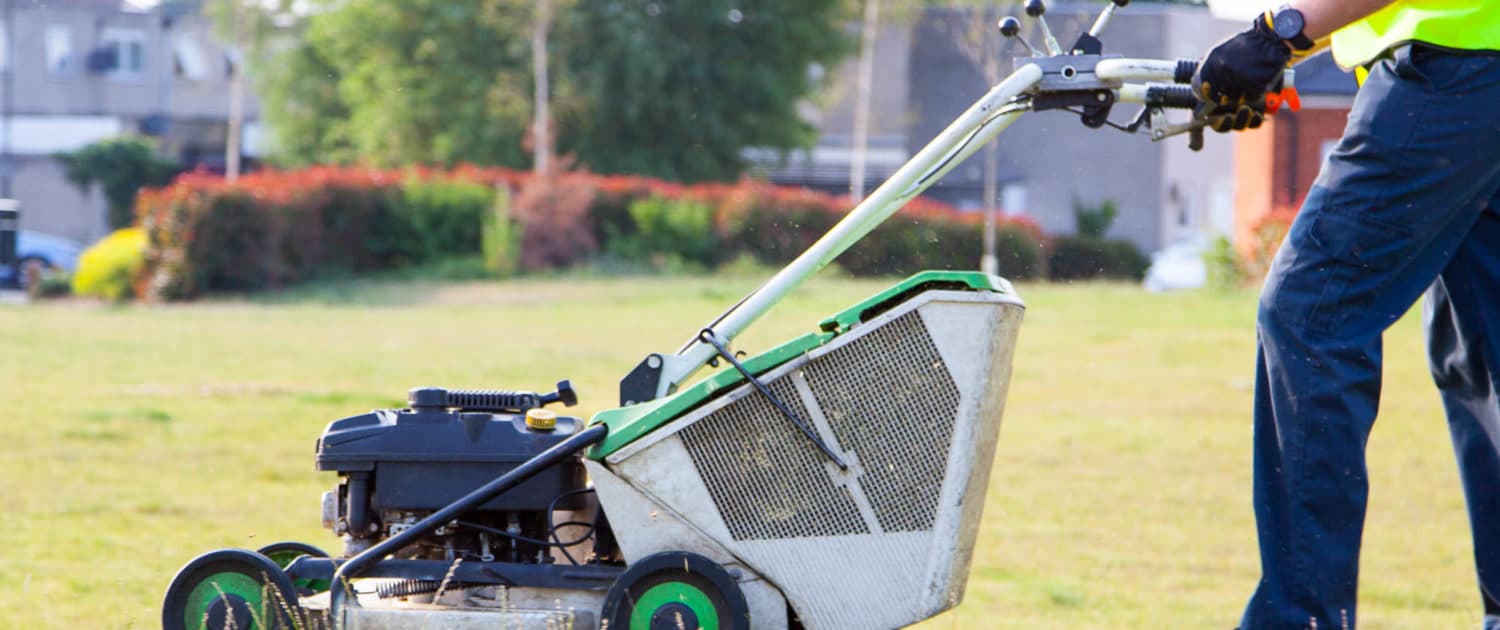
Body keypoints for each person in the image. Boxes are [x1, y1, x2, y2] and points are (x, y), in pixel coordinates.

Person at [1192, 1, 1500, 628]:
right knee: (1479, 346)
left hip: (1452, 65)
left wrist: (1281, 33)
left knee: (1311, 314)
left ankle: (1299, 618)